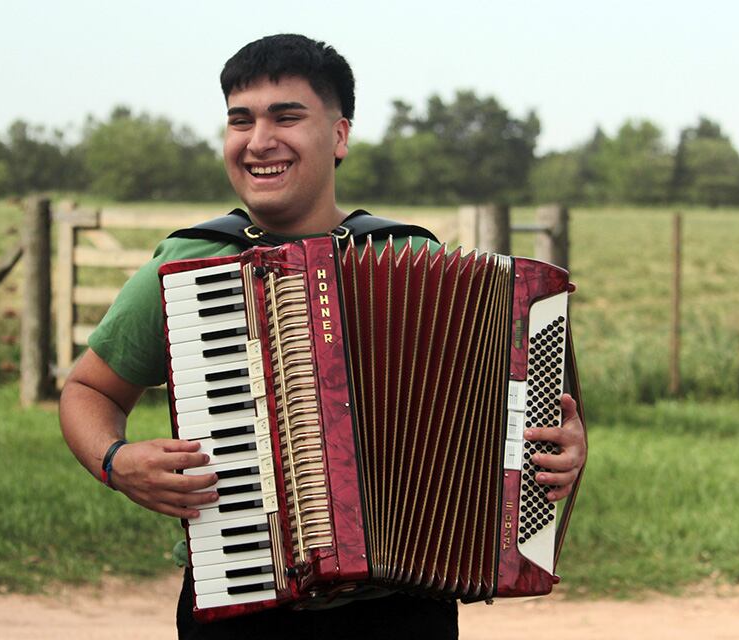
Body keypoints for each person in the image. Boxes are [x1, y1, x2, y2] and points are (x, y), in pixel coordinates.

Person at [60, 33, 587, 640]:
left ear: (338, 135)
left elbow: (514, 422)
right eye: (241, 120)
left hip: (405, 605)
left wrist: (560, 452)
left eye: (287, 117)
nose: (259, 141)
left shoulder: (410, 257)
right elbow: (87, 389)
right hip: (244, 606)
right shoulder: (189, 265)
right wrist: (114, 460)